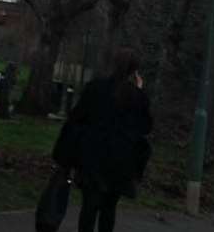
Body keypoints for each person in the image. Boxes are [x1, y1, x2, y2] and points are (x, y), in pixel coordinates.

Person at [54, 47, 152, 232]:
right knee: (109, 208)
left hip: (92, 156)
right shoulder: (137, 97)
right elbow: (144, 127)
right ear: (134, 70)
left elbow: (76, 118)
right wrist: (139, 91)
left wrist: (66, 155)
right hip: (120, 161)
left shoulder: (95, 88)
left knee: (89, 206)